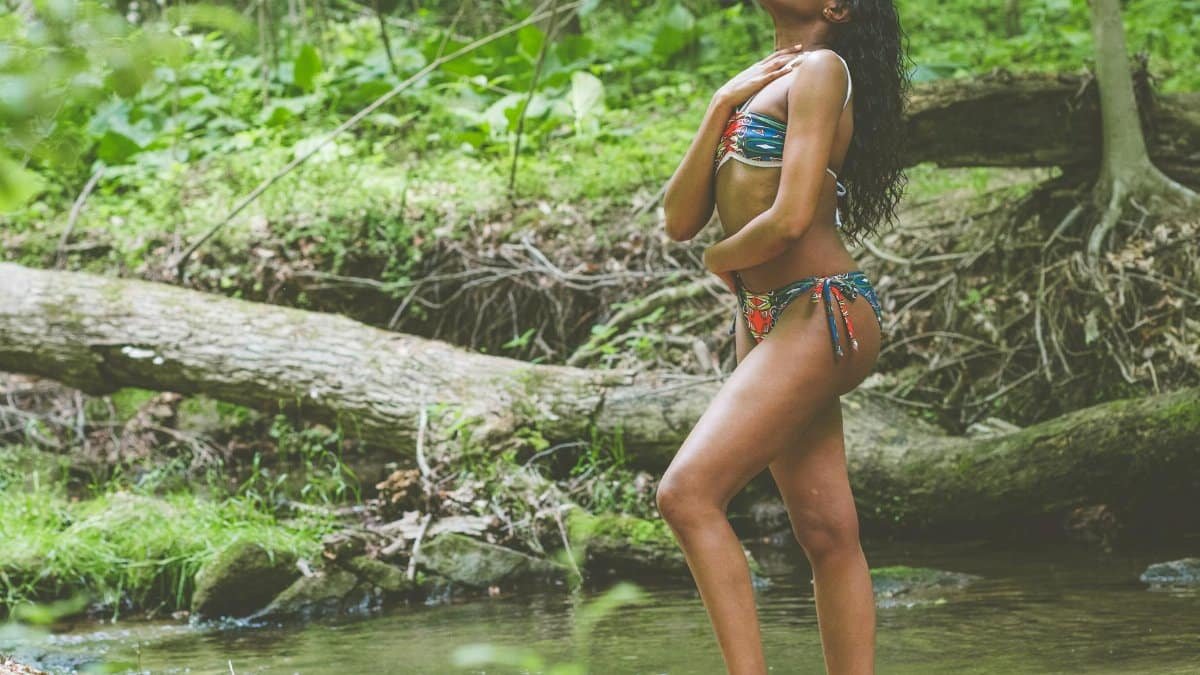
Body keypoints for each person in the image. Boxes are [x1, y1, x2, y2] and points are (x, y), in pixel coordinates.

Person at [657, 1, 910, 673]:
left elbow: (793, 217)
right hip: (765, 316)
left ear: (836, 7)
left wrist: (721, 260)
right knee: (827, 532)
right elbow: (679, 218)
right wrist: (719, 106)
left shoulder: (823, 70)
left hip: (821, 307)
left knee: (686, 493)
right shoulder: (758, 80)